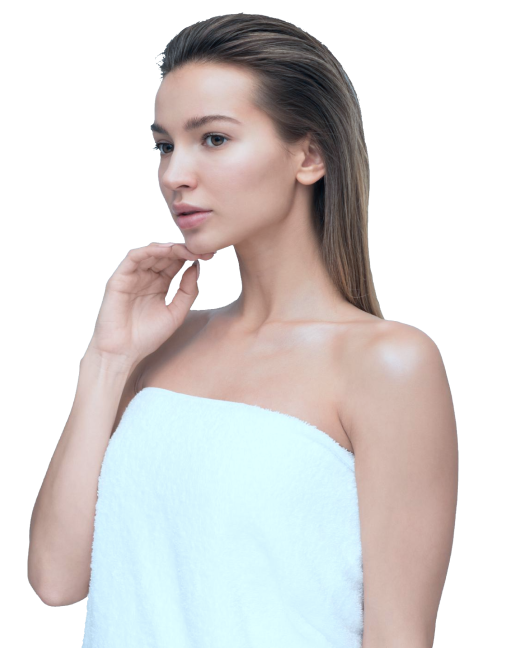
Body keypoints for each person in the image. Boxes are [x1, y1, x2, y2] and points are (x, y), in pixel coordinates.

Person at [28, 13, 458, 648]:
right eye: (164, 146)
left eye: (214, 139)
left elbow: (399, 637)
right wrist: (107, 359)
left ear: (309, 155)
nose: (174, 174)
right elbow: (56, 580)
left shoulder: (388, 363)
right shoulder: (161, 346)